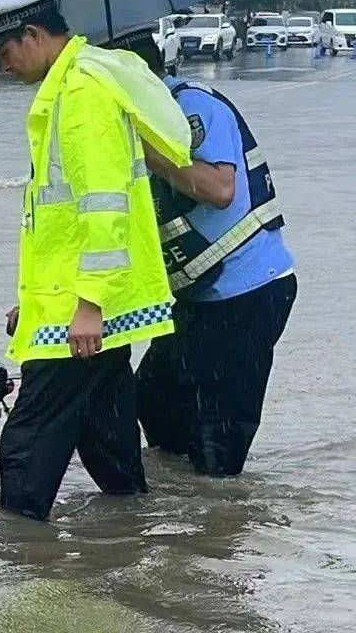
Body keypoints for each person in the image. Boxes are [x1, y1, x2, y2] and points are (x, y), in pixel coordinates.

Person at [0, 0, 192, 521]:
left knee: (28, 439)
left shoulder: (83, 94)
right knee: (104, 425)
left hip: (86, 307)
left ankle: (17, 552)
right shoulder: (71, 86)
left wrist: (88, 303)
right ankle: (131, 530)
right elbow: (54, 224)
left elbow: (103, 207)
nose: (4, 66)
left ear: (34, 36)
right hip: (81, 300)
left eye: (6, 51)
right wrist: (35, 305)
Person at [110, 27, 298, 477]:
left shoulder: (192, 106)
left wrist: (147, 149)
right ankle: (182, 510)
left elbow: (218, 189)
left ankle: (221, 527)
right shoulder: (125, 126)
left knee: (220, 434)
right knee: (153, 400)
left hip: (248, 291)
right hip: (195, 296)